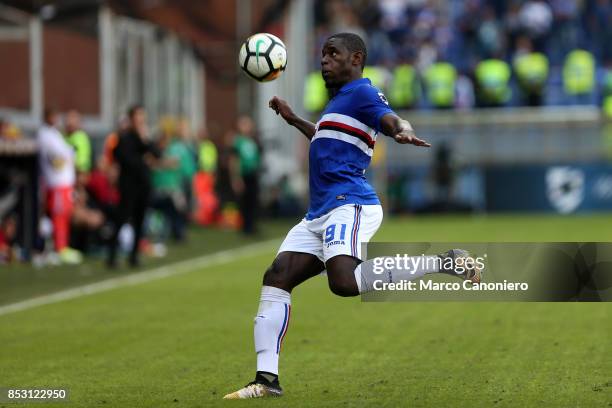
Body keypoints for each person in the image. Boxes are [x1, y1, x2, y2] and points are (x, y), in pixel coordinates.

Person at [223, 33, 482, 400]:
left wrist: (403, 131)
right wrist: (294, 118)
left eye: (333, 54)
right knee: (277, 276)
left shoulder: (362, 93)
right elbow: (326, 142)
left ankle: (444, 262)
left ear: (356, 58)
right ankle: (266, 380)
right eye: (322, 54)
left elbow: (391, 118)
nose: (324, 61)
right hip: (319, 211)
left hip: (351, 203)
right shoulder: (337, 104)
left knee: (343, 282)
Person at [106, 105, 160, 268]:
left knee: (140, 220)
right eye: (138, 116)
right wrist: (143, 159)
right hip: (129, 186)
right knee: (122, 219)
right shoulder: (124, 137)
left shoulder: (144, 138)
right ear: (131, 118)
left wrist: (146, 140)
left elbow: (157, 153)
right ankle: (113, 255)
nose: (141, 119)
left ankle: (134, 256)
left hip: (143, 185)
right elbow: (125, 159)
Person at [37, 108, 82, 264]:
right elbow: (56, 159)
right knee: (58, 217)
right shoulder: (46, 135)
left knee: (64, 215)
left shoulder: (54, 134)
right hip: (56, 183)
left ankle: (61, 247)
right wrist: (69, 154)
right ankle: (59, 248)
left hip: (64, 183)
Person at [229, 116, 261, 235]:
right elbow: (234, 160)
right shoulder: (238, 141)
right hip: (243, 175)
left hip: (253, 174)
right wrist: (236, 178)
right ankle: (245, 227)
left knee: (253, 200)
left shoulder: (252, 140)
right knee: (245, 202)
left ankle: (252, 225)